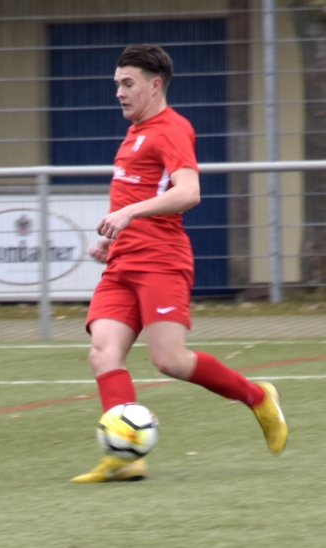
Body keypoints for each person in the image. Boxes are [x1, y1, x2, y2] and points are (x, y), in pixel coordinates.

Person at [71, 44, 288, 483]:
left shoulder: (171, 128)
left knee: (169, 360)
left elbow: (189, 192)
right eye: (116, 84)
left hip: (161, 261)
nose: (119, 92)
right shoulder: (134, 133)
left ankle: (258, 398)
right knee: (103, 352)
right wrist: (112, 240)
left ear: (155, 86)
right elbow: (139, 192)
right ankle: (127, 456)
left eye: (127, 84)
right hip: (123, 262)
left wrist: (127, 215)